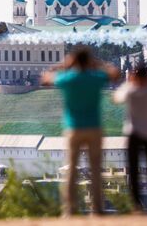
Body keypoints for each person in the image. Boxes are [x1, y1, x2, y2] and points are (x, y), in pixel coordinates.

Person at [41, 47, 119, 216]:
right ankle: (97, 209)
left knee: (71, 170)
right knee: (96, 169)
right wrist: (97, 64)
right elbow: (114, 73)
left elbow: (45, 78)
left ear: (74, 61)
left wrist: (63, 65)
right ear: (88, 61)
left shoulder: (68, 78)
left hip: (73, 128)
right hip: (94, 127)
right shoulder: (95, 78)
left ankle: (69, 210)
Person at [113, 64, 147, 211]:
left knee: (134, 170)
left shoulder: (131, 90)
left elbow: (116, 98)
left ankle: (136, 204)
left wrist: (128, 82)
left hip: (133, 133)